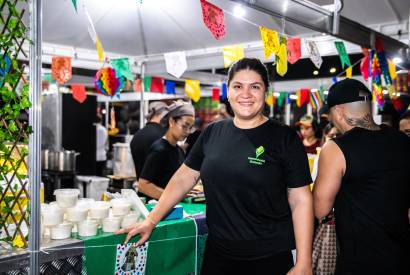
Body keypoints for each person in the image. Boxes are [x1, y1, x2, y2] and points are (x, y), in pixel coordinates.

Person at [116, 58, 313, 275]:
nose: (245, 94)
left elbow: (300, 200)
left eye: (254, 86)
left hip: (268, 256)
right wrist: (151, 220)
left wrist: (304, 261)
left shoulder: (285, 138)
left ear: (265, 92)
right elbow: (184, 178)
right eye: (238, 86)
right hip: (219, 255)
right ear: (228, 91)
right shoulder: (213, 132)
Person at [313, 78, 410, 274]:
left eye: (330, 114)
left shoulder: (336, 148)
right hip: (402, 256)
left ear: (339, 111)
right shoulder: (403, 141)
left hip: (361, 261)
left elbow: (320, 209)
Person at [137, 100, 195, 200]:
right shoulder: (159, 150)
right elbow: (143, 185)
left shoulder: (178, 150)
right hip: (153, 207)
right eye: (184, 126)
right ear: (172, 121)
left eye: (190, 128)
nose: (188, 132)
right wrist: (173, 197)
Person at [130, 101, 167, 180]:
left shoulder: (137, 135)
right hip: (158, 189)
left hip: (140, 186)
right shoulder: (163, 135)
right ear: (163, 114)